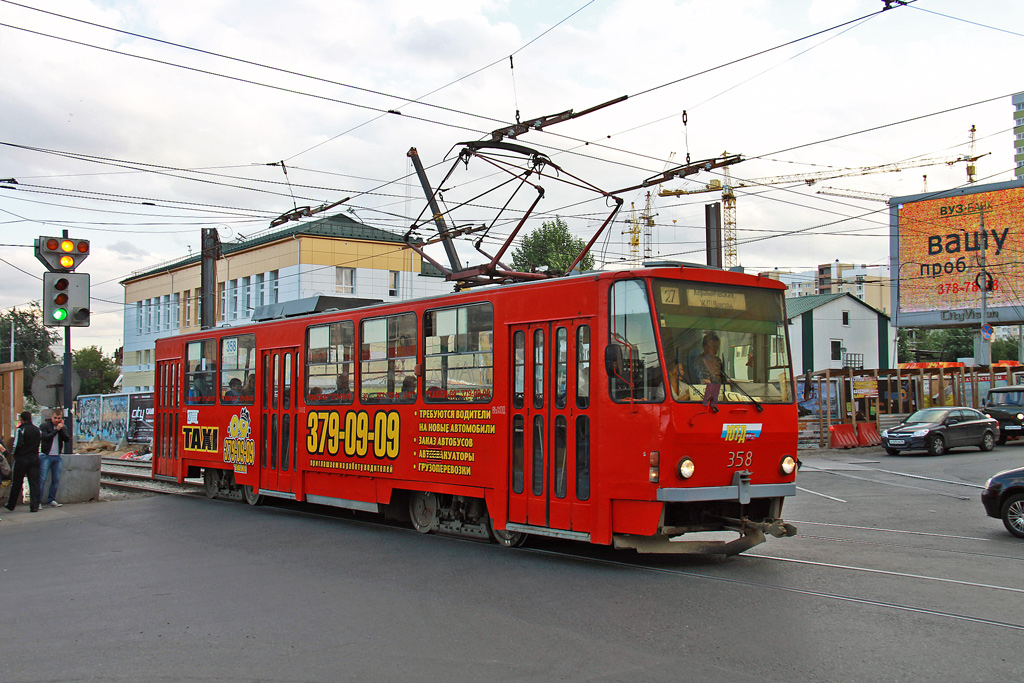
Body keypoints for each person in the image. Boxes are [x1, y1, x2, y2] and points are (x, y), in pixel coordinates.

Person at [6, 411, 41, 513]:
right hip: (34, 458)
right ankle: (34, 506)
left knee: (17, 482)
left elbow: (16, 444)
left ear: (21, 419)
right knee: (34, 483)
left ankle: (11, 504)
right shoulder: (37, 430)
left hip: (22, 459)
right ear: (30, 418)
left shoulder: (20, 430)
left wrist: (14, 455)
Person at [39, 407, 71, 508]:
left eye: (59, 418)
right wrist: (56, 430)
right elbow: (45, 437)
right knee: (42, 479)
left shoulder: (62, 427)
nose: (57, 420)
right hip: (46, 455)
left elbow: (67, 439)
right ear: (51, 417)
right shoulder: (45, 426)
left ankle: (51, 499)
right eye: (55, 418)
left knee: (56, 479)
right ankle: (38, 501)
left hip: (57, 456)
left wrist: (60, 429)